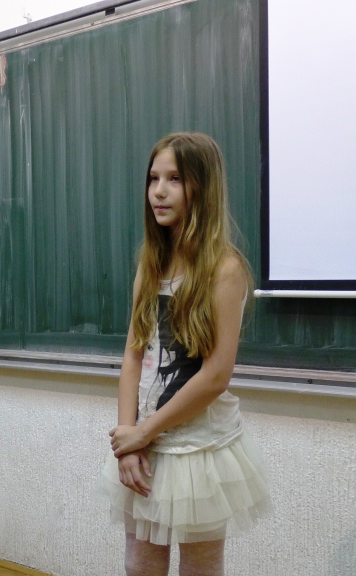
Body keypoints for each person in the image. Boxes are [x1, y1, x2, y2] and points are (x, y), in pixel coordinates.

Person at [99, 133, 272, 576]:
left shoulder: (225, 270)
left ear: (203, 187)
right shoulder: (151, 263)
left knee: (200, 568)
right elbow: (133, 356)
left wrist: (143, 433)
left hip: (199, 448)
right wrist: (128, 440)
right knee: (140, 564)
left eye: (174, 179)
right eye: (153, 178)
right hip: (145, 443)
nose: (159, 191)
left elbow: (215, 376)